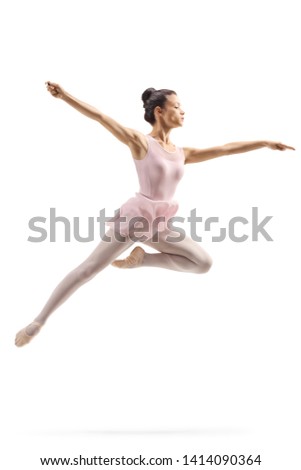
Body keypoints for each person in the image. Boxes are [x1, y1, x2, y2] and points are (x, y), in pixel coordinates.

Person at [15, 82, 295, 347]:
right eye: (177, 106)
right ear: (159, 111)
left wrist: (264, 143)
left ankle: (142, 259)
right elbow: (101, 117)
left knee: (203, 262)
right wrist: (65, 96)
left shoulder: (182, 153)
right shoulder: (141, 142)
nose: (183, 111)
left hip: (160, 223)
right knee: (88, 269)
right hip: (135, 220)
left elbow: (224, 150)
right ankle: (38, 322)